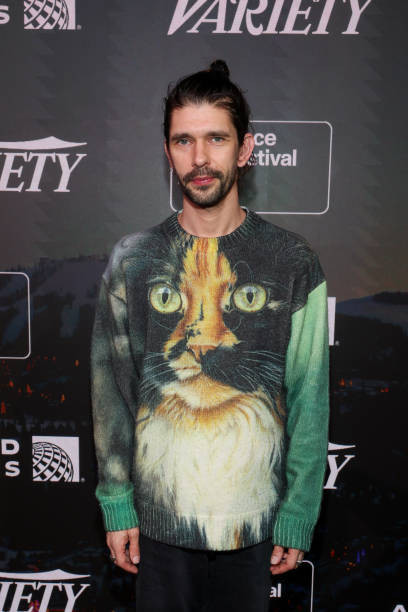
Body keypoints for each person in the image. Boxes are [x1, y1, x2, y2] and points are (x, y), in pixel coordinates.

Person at [91, 59, 330, 611]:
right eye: (184, 141)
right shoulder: (132, 260)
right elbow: (112, 390)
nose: (200, 158)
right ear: (168, 152)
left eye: (216, 139)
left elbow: (309, 394)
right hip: (156, 527)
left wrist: (298, 511)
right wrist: (117, 501)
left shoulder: (293, 261)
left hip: (255, 527)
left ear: (245, 150)